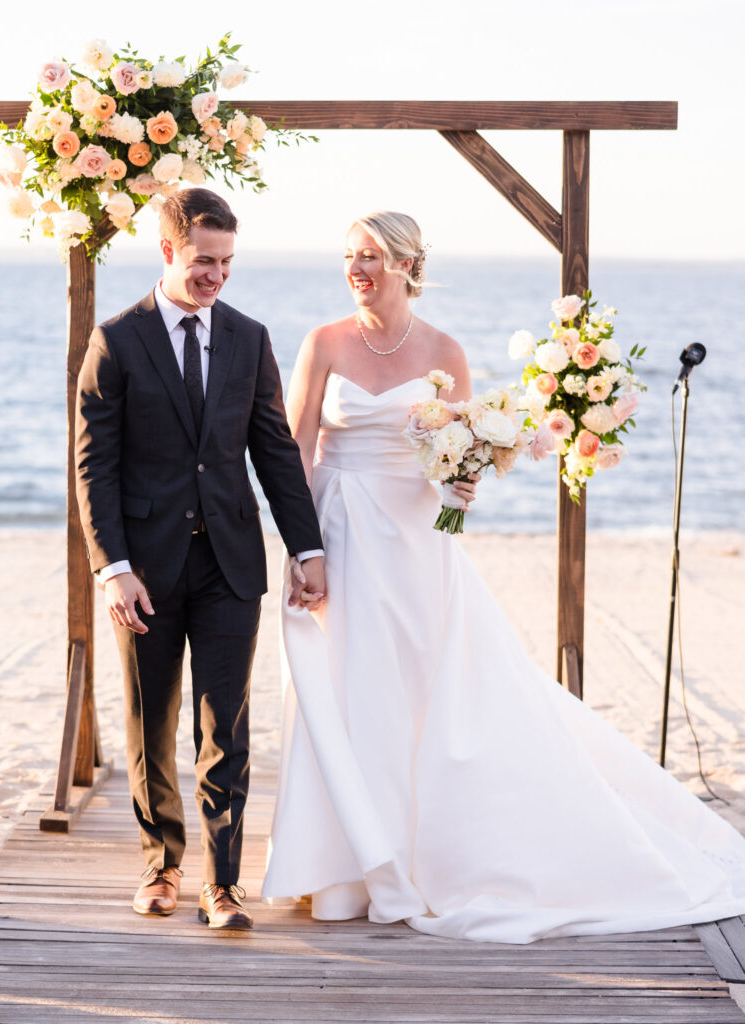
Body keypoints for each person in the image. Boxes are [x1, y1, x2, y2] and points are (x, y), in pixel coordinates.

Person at [261, 211, 745, 943]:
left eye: (371, 257)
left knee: (415, 693)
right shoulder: (322, 342)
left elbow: (458, 463)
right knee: (339, 686)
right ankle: (342, 872)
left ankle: (417, 857)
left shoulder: (444, 351)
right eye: (350, 256)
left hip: (415, 544)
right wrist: (302, 548)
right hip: (334, 533)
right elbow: (295, 449)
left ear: (406, 264)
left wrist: (460, 490)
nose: (356, 269)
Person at [75, 188, 325, 930]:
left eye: (226, 262)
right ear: (167, 250)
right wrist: (113, 568)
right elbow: (93, 467)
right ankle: (161, 864)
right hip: (143, 572)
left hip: (230, 565)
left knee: (226, 728)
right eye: (203, 261)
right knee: (151, 723)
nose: (216, 275)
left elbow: (274, 451)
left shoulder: (249, 337)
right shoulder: (116, 341)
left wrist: (306, 546)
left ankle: (223, 882)